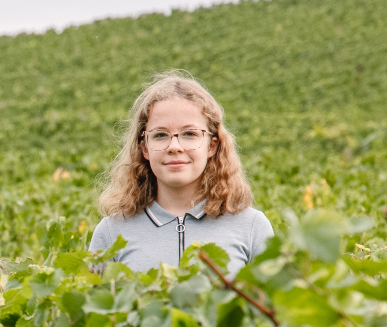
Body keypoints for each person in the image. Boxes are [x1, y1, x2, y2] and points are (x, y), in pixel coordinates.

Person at [90, 73, 272, 270]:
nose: (174, 146)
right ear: (144, 148)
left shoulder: (252, 227)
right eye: (160, 135)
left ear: (212, 146)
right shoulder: (111, 232)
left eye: (189, 134)